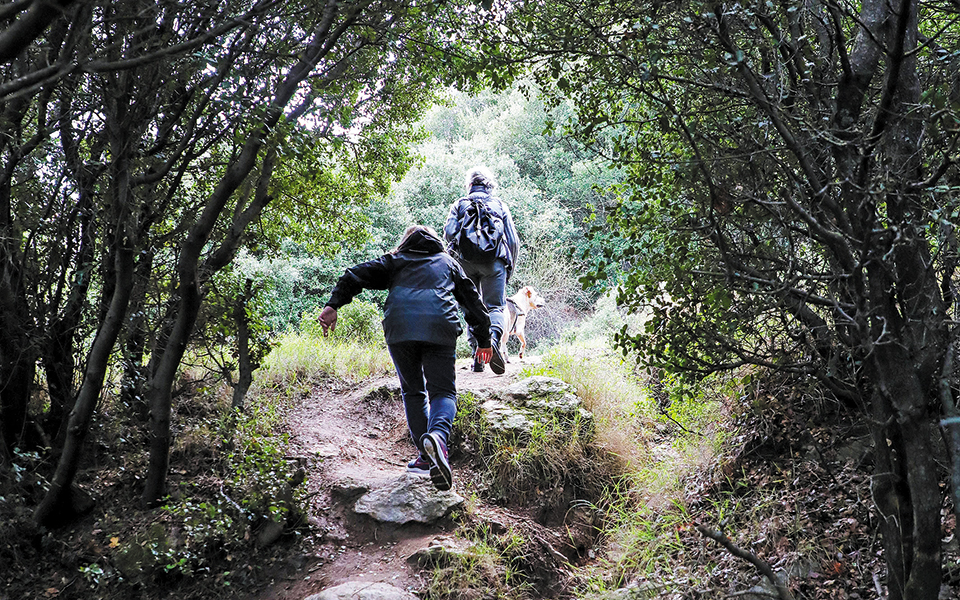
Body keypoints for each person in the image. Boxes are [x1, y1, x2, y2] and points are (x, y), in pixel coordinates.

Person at [317, 225, 492, 492]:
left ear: (405, 242)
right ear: (435, 242)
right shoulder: (448, 263)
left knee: (413, 392)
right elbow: (473, 301)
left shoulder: (395, 261)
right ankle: (438, 440)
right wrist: (483, 339)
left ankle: (425, 455)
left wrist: (333, 305)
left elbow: (354, 274)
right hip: (439, 327)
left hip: (400, 329)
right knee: (443, 392)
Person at [443, 165, 520, 374]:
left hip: (465, 263)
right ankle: (493, 341)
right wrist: (508, 267)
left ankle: (478, 357)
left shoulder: (459, 204)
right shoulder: (499, 205)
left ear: (469, 185)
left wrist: (454, 261)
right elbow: (513, 240)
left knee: (471, 307)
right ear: (489, 185)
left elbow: (449, 234)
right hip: (494, 262)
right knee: (495, 307)